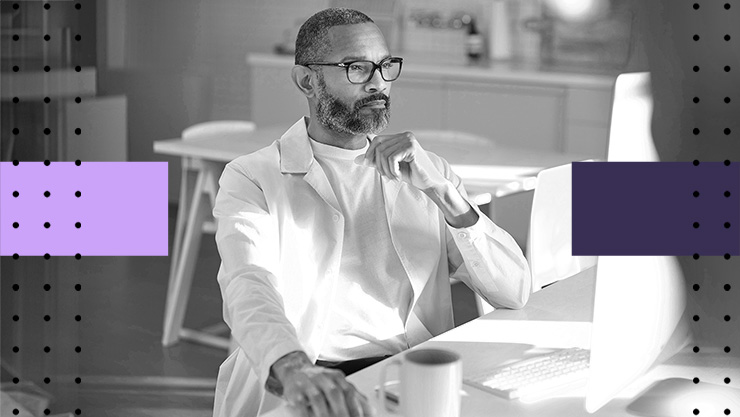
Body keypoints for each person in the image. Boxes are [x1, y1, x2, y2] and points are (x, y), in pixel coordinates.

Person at [211, 8, 531, 417]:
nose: (379, 83)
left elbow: (516, 290)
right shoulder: (250, 177)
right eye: (357, 68)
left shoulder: (428, 172)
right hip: (312, 380)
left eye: (385, 66)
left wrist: (445, 195)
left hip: (411, 377)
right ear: (307, 80)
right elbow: (248, 285)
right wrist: (293, 368)